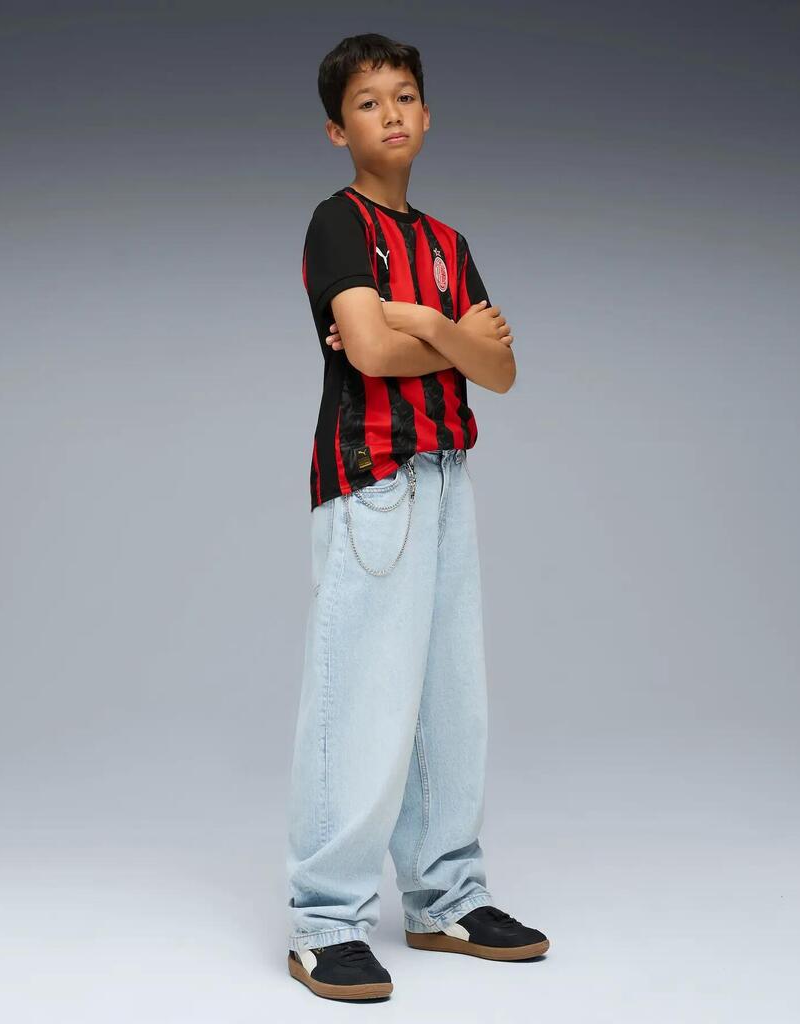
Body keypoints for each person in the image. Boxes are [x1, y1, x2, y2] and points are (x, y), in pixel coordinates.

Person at [285, 32, 548, 1001]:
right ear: (336, 129)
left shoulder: (447, 244)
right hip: (373, 480)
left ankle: (445, 898)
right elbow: (367, 350)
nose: (390, 113)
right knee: (360, 697)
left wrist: (425, 323)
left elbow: (502, 370)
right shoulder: (337, 223)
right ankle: (324, 920)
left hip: (445, 477)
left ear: (428, 115)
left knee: (449, 699)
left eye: (403, 96)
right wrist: (452, 334)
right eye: (367, 102)